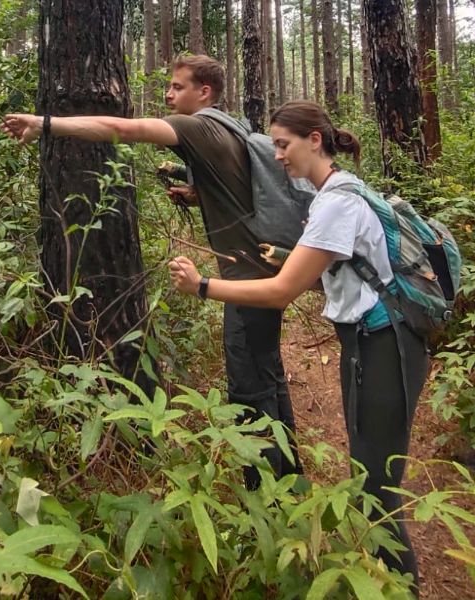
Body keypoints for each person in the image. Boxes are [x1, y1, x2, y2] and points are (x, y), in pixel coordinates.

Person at [0, 55, 303, 488]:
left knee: (250, 389)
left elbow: (123, 129)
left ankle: (265, 495)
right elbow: (236, 187)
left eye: (178, 87)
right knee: (269, 374)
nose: (167, 94)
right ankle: (292, 479)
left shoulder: (196, 126)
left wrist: (46, 123)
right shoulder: (229, 126)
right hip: (263, 272)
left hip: (244, 283)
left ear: (205, 92)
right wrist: (197, 196)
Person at [167, 100, 427, 591]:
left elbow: (281, 291)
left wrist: (203, 286)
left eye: (283, 144)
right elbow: (321, 273)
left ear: (314, 140)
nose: (277, 154)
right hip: (369, 341)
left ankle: (401, 586)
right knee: (368, 473)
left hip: (385, 343)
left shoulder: (336, 202)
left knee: (377, 484)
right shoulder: (332, 194)